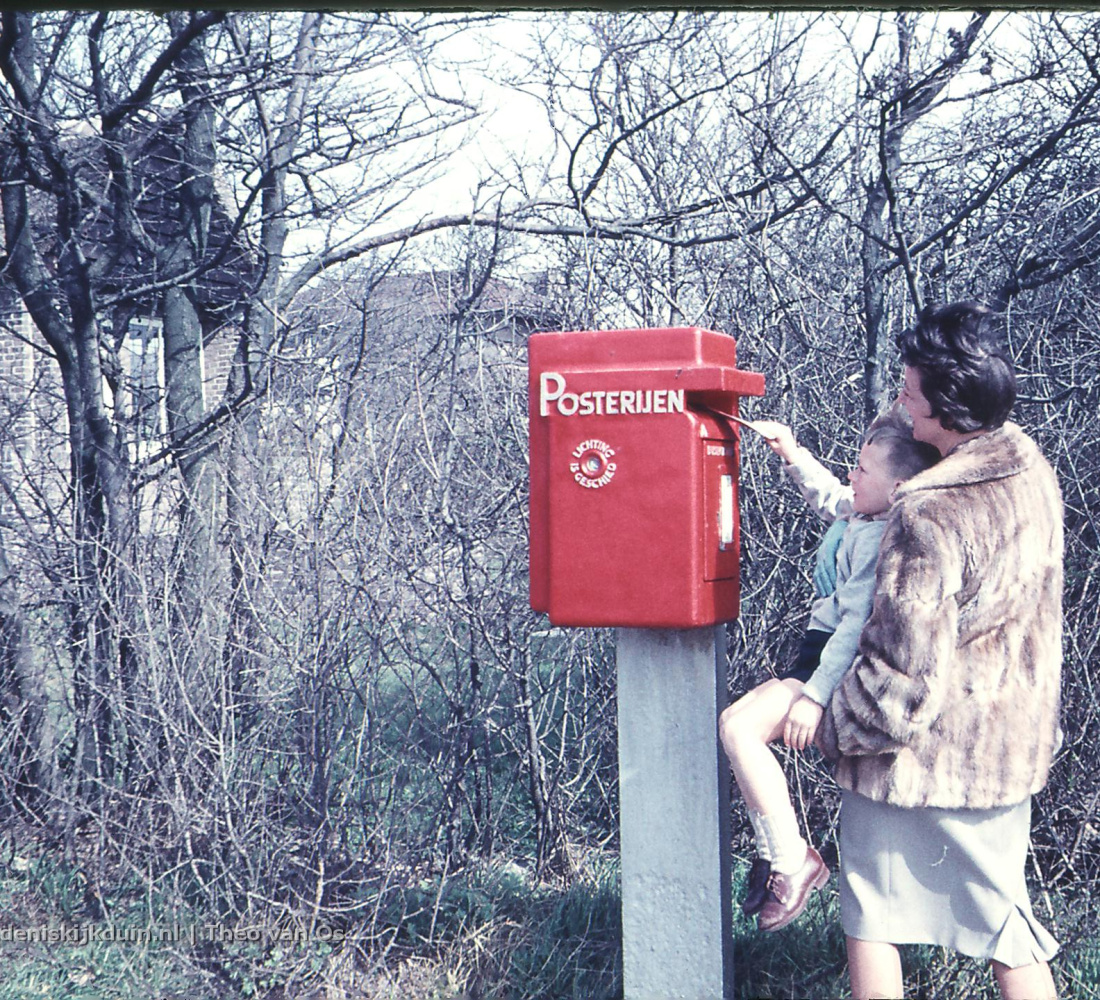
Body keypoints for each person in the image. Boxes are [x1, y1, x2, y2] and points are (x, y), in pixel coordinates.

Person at [819, 301, 1063, 1000]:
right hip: (1002, 752)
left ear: (948, 410)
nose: (901, 402)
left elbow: (902, 681)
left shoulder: (929, 510)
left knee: (872, 916)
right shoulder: (1025, 466)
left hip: (915, 763)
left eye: (910, 393)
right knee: (1004, 924)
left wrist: (832, 723)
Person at [719, 406, 940, 932]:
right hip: (814, 655)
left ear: (900, 487)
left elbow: (853, 627)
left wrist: (816, 696)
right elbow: (830, 496)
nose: (851, 476)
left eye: (863, 470)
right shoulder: (863, 513)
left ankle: (791, 861)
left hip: (828, 663)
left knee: (741, 730)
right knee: (735, 722)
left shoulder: (881, 539)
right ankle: (784, 856)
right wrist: (791, 451)